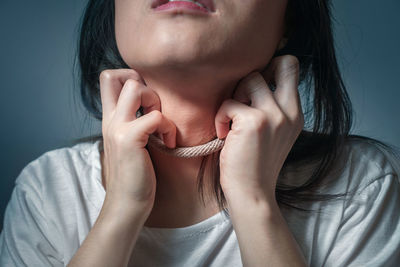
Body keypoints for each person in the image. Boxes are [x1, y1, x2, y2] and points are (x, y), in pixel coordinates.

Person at [1, 0, 400, 266]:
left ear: (289, 21)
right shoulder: (48, 191)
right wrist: (120, 211)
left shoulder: (361, 187)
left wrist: (254, 202)